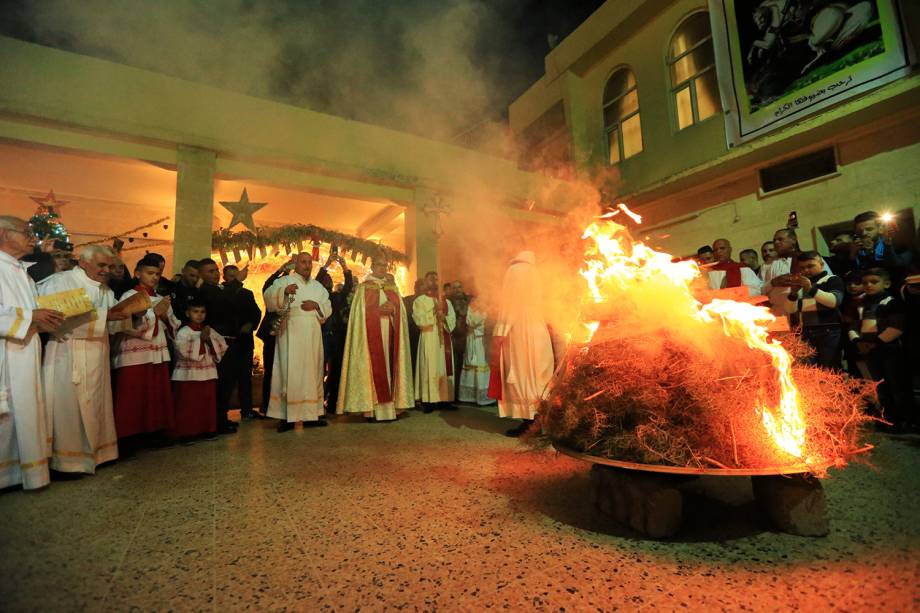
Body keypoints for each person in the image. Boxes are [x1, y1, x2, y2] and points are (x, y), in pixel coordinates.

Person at [40, 245, 129, 474]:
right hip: (67, 353)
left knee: (97, 403)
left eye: (109, 266)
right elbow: (54, 319)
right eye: (101, 265)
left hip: (97, 352)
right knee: (68, 407)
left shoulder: (105, 290)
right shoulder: (60, 282)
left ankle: (100, 453)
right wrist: (105, 316)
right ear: (83, 262)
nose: (106, 270)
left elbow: (111, 323)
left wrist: (129, 313)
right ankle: (68, 462)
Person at [0, 216, 63, 490]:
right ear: (3, 233)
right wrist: (30, 316)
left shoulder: (20, 270)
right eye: (25, 232)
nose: (32, 238)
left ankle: (21, 473)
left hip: (26, 348)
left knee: (25, 410)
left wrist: (43, 317)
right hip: (6, 352)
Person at [110, 254, 179, 448]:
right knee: (133, 396)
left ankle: (154, 433)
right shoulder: (129, 296)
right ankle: (130, 438)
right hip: (135, 354)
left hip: (157, 353)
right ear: (137, 273)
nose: (154, 277)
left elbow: (173, 325)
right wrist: (155, 315)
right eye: (150, 273)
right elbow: (125, 324)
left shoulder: (159, 298)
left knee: (155, 395)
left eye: (157, 274)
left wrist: (165, 317)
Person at [337, 257, 414, 422]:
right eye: (379, 265)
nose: (382, 268)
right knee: (372, 370)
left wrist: (394, 309)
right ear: (372, 267)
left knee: (389, 366)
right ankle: (371, 411)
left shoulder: (392, 287)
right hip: (370, 337)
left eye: (385, 265)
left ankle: (391, 409)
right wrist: (377, 311)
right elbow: (359, 314)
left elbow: (401, 311)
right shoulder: (364, 288)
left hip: (391, 333)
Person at [264, 252, 331, 431]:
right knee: (289, 371)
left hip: (312, 334)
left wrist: (316, 306)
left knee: (312, 371)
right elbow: (269, 296)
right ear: (296, 264)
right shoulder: (284, 281)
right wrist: (284, 292)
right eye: (303, 262)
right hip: (290, 332)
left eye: (309, 262)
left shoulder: (318, 287)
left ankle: (312, 415)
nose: (307, 265)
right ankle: (287, 417)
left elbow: (327, 307)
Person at [490, 251, 555, 437]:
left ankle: (529, 423)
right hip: (537, 326)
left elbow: (511, 303)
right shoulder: (535, 272)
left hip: (520, 328)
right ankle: (539, 419)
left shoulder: (515, 270)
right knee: (538, 373)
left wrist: (501, 330)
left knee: (521, 372)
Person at [850, 267, 911, 431]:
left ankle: (901, 421)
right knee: (877, 387)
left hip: (889, 351)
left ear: (887, 283)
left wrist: (875, 343)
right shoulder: (860, 304)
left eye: (874, 282)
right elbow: (853, 325)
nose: (868, 285)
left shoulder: (892, 303)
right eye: (865, 283)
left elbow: (897, 327)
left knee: (895, 386)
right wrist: (856, 341)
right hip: (867, 352)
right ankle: (884, 418)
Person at [171, 300, 227, 440]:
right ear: (188, 313)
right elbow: (182, 351)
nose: (199, 315)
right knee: (188, 405)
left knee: (205, 404)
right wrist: (200, 340)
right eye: (195, 312)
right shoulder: (183, 332)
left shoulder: (208, 330)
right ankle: (186, 433)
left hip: (207, 373)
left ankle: (206, 429)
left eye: (202, 312)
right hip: (188, 374)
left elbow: (222, 346)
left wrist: (208, 340)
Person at [196, 258, 239, 433]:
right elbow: (221, 306)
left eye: (216, 270)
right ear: (201, 274)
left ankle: (223, 418)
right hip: (217, 342)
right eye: (210, 271)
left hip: (229, 339)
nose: (215, 274)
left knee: (227, 382)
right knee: (220, 383)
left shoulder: (217, 289)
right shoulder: (205, 291)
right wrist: (236, 282)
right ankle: (217, 422)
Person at [782, 251, 845, 369]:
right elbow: (790, 310)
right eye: (802, 268)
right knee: (811, 370)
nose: (806, 270)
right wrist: (794, 293)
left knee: (830, 368)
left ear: (821, 264)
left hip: (828, 331)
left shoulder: (832, 279)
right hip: (807, 332)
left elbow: (834, 301)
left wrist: (810, 289)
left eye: (810, 266)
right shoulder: (802, 285)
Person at [221, 264, 261, 420]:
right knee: (226, 379)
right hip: (227, 343)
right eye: (230, 276)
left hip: (244, 342)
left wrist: (251, 324)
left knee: (245, 378)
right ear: (224, 277)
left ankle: (247, 410)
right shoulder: (221, 293)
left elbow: (256, 313)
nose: (233, 279)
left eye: (235, 275)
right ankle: (222, 412)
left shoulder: (247, 294)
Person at [761, 227, 830, 318]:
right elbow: (760, 291)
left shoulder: (813, 259)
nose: (776, 243)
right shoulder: (767, 265)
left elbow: (827, 280)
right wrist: (773, 282)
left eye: (780, 239)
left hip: (808, 310)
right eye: (774, 240)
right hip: (779, 314)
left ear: (793, 240)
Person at [315, 254, 354, 414]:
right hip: (322, 335)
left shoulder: (337, 296)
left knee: (336, 370)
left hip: (337, 337)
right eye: (326, 279)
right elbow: (317, 280)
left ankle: (332, 404)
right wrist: (327, 264)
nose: (328, 280)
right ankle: (316, 403)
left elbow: (348, 285)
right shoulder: (317, 294)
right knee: (319, 370)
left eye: (330, 279)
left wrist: (344, 267)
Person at [412, 271, 456, 412]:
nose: (434, 282)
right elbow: (419, 320)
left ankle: (445, 400)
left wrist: (444, 318)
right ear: (426, 283)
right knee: (429, 366)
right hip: (429, 336)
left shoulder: (446, 301)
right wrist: (433, 313)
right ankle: (429, 401)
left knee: (443, 366)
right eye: (431, 279)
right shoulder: (420, 301)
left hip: (443, 338)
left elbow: (452, 320)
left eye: (437, 279)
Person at [255, 258, 294, 414]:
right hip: (272, 335)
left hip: (290, 335)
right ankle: (267, 404)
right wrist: (281, 270)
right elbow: (267, 285)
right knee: (271, 370)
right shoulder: (272, 294)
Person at [853, 211, 913, 283]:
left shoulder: (897, 245)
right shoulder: (856, 251)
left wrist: (872, 253)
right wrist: (852, 255)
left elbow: (898, 266)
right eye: (859, 231)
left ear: (880, 229)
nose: (864, 233)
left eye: (869, 229)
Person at [458, 296, 492, 405]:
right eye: (473, 301)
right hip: (471, 340)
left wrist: (478, 310)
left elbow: (475, 321)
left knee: (481, 366)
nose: (474, 303)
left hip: (480, 341)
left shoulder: (484, 310)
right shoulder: (470, 308)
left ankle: (483, 397)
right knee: (470, 366)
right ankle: (469, 397)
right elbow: (469, 322)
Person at [447, 281, 469, 400]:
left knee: (465, 367)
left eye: (459, 287)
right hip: (454, 338)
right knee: (455, 366)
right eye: (454, 288)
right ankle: (454, 395)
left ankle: (463, 394)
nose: (457, 290)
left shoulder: (468, 300)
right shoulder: (448, 301)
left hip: (468, 337)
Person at [169, 260, 201, 325]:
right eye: (192, 275)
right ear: (183, 271)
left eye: (197, 277)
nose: (195, 279)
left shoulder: (197, 293)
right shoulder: (171, 288)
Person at [403, 279, 424, 373]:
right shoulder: (407, 300)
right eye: (420, 287)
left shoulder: (430, 301)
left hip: (425, 336)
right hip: (410, 335)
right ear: (415, 288)